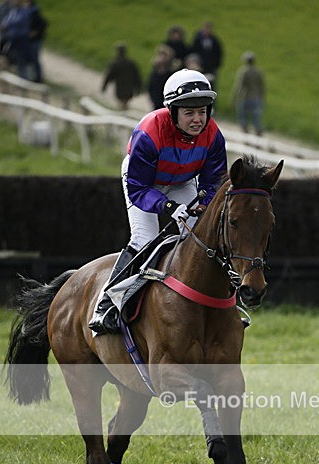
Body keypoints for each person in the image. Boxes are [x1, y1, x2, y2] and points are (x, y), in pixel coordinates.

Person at [89, 68, 227, 335]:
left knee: (204, 235)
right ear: (172, 112)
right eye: (189, 113)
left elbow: (213, 183)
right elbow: (140, 189)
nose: (198, 119)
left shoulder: (213, 135)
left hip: (183, 181)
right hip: (145, 181)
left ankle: (223, 305)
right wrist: (168, 207)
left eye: (202, 111)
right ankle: (106, 304)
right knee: (144, 238)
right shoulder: (149, 132)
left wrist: (204, 204)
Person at [231, 51, 265, 136]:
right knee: (256, 117)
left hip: (246, 97)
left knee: (242, 115)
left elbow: (239, 86)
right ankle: (258, 132)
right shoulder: (258, 71)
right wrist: (261, 98)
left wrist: (234, 97)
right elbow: (262, 86)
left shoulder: (243, 71)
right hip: (256, 97)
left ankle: (245, 133)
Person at [101, 42, 142, 111]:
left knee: (123, 103)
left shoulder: (115, 63)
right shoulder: (131, 63)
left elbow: (109, 76)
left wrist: (104, 86)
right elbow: (137, 76)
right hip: (129, 88)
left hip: (120, 88)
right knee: (124, 103)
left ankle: (123, 113)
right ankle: (124, 112)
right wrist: (138, 87)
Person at [0, 0, 30, 78]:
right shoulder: (13, 10)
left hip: (21, 39)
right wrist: (4, 23)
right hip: (12, 38)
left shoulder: (23, 11)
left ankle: (24, 77)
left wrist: (7, 24)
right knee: (9, 56)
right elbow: (8, 19)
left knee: (21, 60)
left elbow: (18, 21)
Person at [191, 21, 222, 91]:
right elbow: (193, 52)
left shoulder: (214, 40)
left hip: (211, 68)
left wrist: (216, 65)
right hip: (199, 68)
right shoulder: (197, 40)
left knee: (211, 85)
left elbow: (218, 53)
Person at [23, 0, 47, 83]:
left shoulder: (34, 13)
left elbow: (43, 23)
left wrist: (35, 32)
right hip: (28, 40)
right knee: (30, 59)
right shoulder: (25, 12)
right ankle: (32, 77)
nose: (25, 4)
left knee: (34, 59)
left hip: (35, 41)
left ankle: (38, 78)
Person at [147, 44, 176, 110]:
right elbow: (150, 87)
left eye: (164, 55)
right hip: (156, 101)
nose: (162, 58)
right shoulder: (155, 72)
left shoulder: (171, 72)